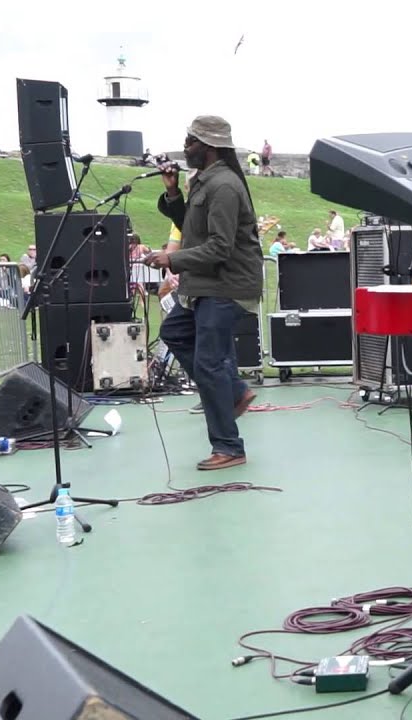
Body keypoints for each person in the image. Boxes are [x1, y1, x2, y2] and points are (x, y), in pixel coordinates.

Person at [145, 116, 263, 471]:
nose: (184, 147)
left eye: (190, 141)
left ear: (209, 146)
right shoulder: (204, 181)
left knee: (208, 364)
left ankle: (229, 446)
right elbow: (191, 226)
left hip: (227, 286)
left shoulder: (224, 185)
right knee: (174, 332)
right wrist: (171, 192)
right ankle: (234, 392)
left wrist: (172, 258)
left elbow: (220, 247)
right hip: (206, 285)